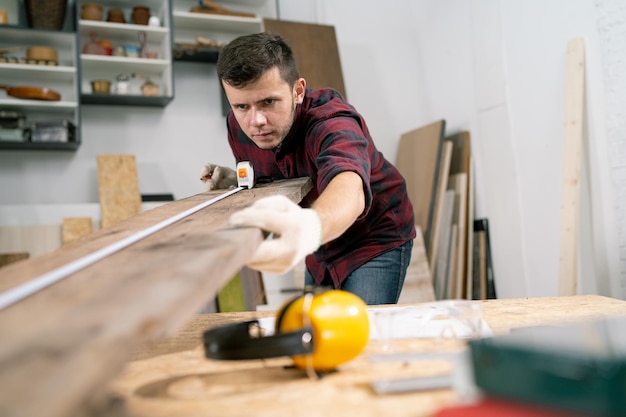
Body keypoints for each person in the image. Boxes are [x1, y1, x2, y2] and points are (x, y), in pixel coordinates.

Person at [202, 32, 415, 305]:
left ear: (298, 91)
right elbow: (275, 177)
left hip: (372, 236)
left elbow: (348, 186)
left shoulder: (331, 122)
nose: (256, 121)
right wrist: (241, 181)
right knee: (315, 327)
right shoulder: (239, 127)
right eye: (241, 106)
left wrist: (308, 231)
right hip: (320, 238)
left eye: (269, 102)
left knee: (358, 334)